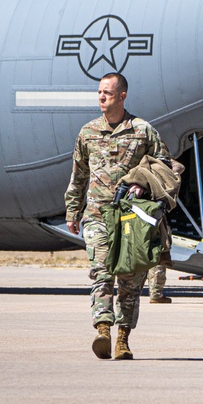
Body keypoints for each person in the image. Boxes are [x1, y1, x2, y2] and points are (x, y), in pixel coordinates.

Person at [64, 72, 172, 360]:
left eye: (107, 93)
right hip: (98, 215)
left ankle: (123, 337)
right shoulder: (87, 132)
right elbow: (79, 175)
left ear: (122, 96)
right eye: (99, 92)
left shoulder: (143, 130)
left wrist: (143, 183)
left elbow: (165, 166)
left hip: (131, 218)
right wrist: (73, 209)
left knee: (130, 280)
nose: (101, 97)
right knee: (101, 273)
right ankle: (103, 329)